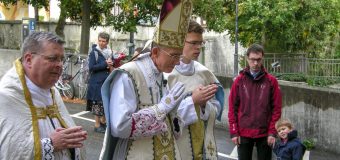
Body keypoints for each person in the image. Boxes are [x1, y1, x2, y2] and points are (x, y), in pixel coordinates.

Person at [99, 0, 194, 159]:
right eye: (174, 55)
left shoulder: (161, 74)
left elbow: (170, 126)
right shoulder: (129, 74)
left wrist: (173, 111)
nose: (178, 62)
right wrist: (162, 108)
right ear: (155, 52)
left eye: (180, 56)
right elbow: (120, 126)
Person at [0, 31, 87, 160]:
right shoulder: (7, 96)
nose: (60, 65)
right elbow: (9, 151)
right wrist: (50, 145)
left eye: (61, 59)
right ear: (29, 60)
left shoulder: (53, 93)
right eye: (52, 58)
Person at [166, 20, 224, 159]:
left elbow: (217, 108)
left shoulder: (205, 73)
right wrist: (192, 101)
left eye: (201, 43)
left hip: (201, 145)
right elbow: (163, 117)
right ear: (179, 42)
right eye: (193, 43)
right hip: (176, 147)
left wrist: (204, 106)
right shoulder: (167, 75)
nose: (198, 47)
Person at [228, 43, 282, 160]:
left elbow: (276, 109)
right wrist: (234, 131)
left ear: (262, 58)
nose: (256, 63)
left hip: (265, 134)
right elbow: (232, 107)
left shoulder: (271, 81)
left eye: (258, 60)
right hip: (243, 133)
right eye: (253, 60)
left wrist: (272, 132)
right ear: (247, 59)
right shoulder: (239, 81)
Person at [86, 32, 113, 133]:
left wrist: (113, 62)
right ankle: (97, 125)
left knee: (105, 103)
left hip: (106, 81)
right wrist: (105, 63)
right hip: (96, 82)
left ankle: (103, 122)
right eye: (100, 41)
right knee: (97, 103)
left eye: (104, 41)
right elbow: (91, 67)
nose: (101, 43)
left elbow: (111, 63)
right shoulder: (94, 52)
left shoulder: (110, 52)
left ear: (107, 42)